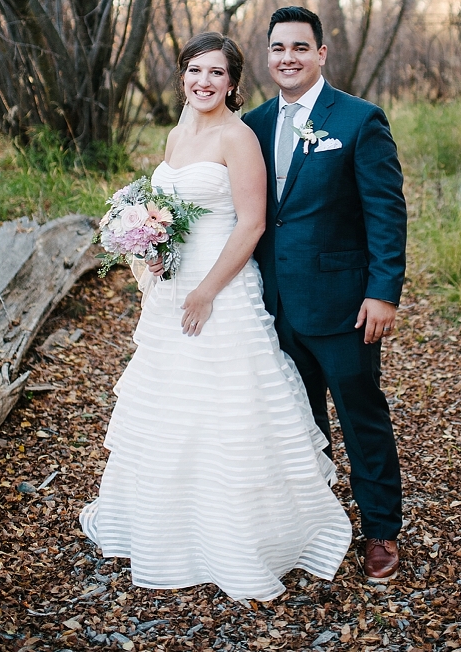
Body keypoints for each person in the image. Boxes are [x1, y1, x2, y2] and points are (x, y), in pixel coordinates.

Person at [80, 32, 351, 602]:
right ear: (183, 75)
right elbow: (168, 215)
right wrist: (149, 249)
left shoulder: (239, 137)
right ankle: (170, 528)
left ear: (232, 83)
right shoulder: (177, 135)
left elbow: (251, 224)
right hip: (170, 290)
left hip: (220, 291)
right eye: (195, 71)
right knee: (171, 407)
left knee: (228, 409)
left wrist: (205, 292)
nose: (204, 82)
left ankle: (241, 537)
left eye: (217, 73)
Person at [243, 6, 407, 582]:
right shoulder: (253, 124)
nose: (287, 58)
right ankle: (314, 523)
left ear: (320, 54)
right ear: (267, 56)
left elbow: (385, 211)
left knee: (361, 417)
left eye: (298, 48)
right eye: (278, 49)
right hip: (271, 304)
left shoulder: (360, 121)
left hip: (343, 303)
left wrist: (383, 292)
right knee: (296, 421)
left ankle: (381, 530)